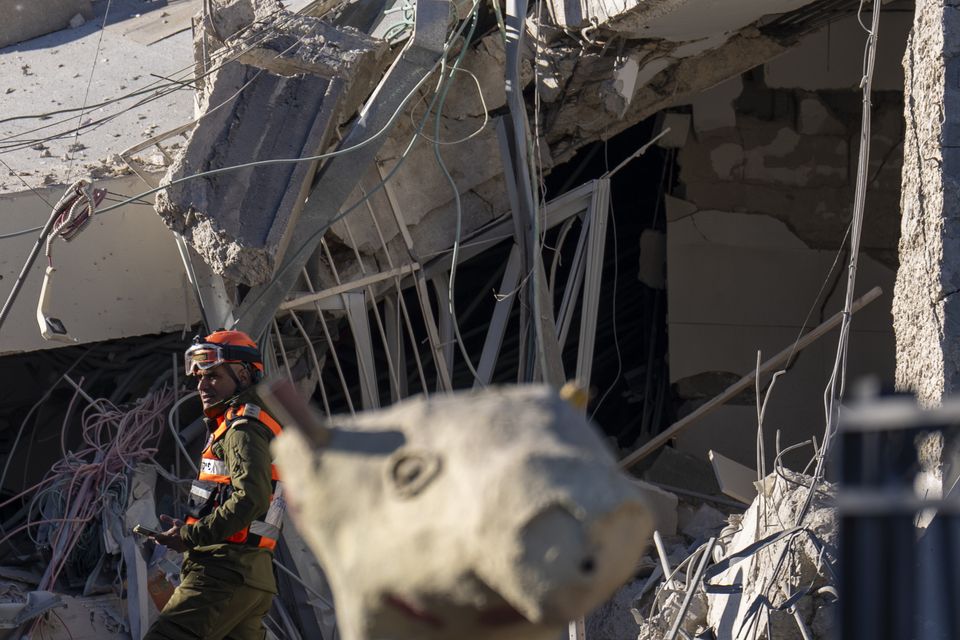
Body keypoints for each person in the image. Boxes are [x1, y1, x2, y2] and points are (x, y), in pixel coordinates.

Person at [144, 330, 285, 640]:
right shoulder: (248, 424)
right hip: (250, 575)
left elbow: (252, 498)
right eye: (199, 378)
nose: (202, 385)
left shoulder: (242, 428)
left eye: (213, 376)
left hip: (222, 573)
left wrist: (190, 535)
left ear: (244, 376)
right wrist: (192, 523)